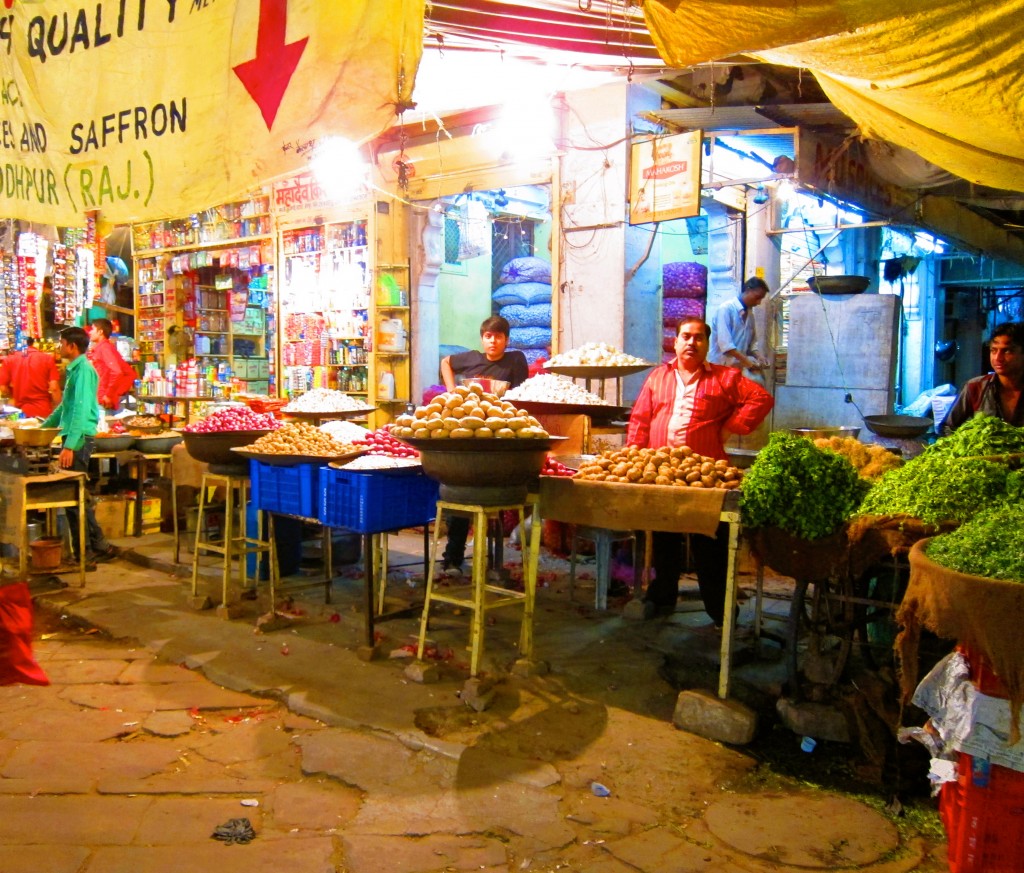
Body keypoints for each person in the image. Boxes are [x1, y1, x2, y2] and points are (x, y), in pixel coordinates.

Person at [627, 317, 773, 623]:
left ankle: (720, 612)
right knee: (664, 540)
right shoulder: (657, 376)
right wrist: (634, 457)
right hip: (662, 473)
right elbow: (640, 419)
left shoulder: (725, 378)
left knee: (710, 544)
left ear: (707, 345)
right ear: (675, 342)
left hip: (705, 475)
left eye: (698, 338)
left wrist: (732, 427)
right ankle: (662, 597)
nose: (691, 342)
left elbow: (761, 398)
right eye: (686, 336)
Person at [438, 316, 529, 574]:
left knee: (494, 501)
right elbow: (446, 362)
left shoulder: (515, 360)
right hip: (469, 437)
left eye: (499, 336)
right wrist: (451, 390)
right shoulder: (471, 358)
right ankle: (452, 557)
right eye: (489, 336)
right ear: (482, 338)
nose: (493, 341)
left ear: (506, 340)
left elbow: (522, 394)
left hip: (499, 438)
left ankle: (494, 561)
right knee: (462, 495)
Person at [41, 327, 118, 569]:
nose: (60, 347)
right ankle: (99, 547)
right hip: (75, 438)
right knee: (80, 497)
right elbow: (65, 408)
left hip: (80, 440)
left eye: (62, 343)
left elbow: (80, 411)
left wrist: (70, 445)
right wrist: (42, 429)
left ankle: (85, 556)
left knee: (74, 501)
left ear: (72, 346)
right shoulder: (75, 370)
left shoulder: (83, 370)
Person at [940, 321, 1024, 434]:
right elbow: (948, 427)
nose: (998, 358)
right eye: (993, 350)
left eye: (1007, 351)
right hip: (985, 452)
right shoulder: (975, 387)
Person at [708, 277, 770, 374]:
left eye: (761, 299)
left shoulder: (750, 315)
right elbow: (726, 346)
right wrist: (747, 362)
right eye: (757, 297)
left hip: (736, 371)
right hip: (720, 369)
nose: (759, 302)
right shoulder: (726, 309)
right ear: (748, 290)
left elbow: (752, 345)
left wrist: (759, 357)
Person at [0, 338, 62, 418]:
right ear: (33, 343)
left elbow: (3, 388)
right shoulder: (47, 359)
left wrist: (13, 395)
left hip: (19, 412)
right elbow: (54, 388)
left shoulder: (9, 360)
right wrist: (60, 411)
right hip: (42, 411)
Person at [87, 318, 135, 411]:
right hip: (98, 398)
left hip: (103, 401)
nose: (90, 332)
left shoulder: (105, 348)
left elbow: (117, 372)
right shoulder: (100, 348)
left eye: (92, 329)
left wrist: (110, 395)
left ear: (100, 332)